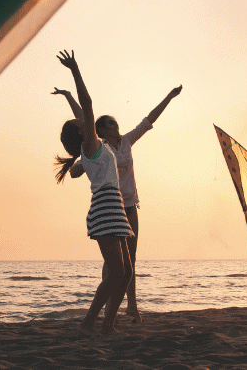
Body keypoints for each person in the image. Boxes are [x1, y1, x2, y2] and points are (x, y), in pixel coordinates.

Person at [56, 83, 182, 323]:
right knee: (115, 266)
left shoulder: (124, 142)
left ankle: (127, 308)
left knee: (127, 264)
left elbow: (148, 120)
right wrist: (80, 165)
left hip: (127, 207)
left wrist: (170, 96)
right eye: (111, 123)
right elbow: (84, 115)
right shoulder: (98, 147)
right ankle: (103, 313)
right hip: (109, 208)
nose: (116, 125)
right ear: (100, 130)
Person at [52, 50, 133, 336]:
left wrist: (65, 96)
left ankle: (106, 325)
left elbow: (80, 111)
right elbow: (87, 105)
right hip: (106, 209)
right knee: (118, 274)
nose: (84, 120)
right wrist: (74, 70)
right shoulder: (90, 147)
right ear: (82, 133)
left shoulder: (93, 147)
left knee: (124, 274)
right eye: (82, 123)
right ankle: (91, 323)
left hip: (114, 207)